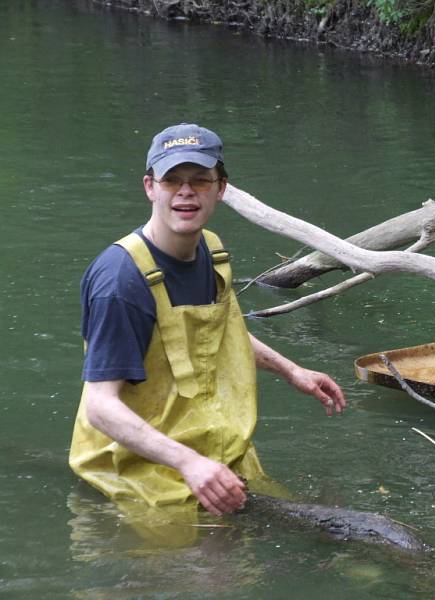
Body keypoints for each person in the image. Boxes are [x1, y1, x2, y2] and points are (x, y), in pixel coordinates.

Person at [70, 123, 346, 517]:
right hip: (137, 471)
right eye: (172, 181)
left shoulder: (211, 251)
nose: (186, 191)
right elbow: (100, 406)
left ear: (221, 189)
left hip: (210, 449)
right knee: (209, 572)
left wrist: (291, 370)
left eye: (200, 180)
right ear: (150, 187)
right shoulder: (121, 281)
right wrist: (188, 463)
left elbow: (222, 334)